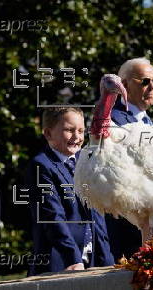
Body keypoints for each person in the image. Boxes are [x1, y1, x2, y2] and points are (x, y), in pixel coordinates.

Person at [25, 107, 114, 275]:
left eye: (81, 131)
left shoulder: (87, 161)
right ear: (48, 134)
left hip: (93, 258)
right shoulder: (41, 166)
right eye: (69, 130)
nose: (77, 137)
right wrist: (72, 258)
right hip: (62, 262)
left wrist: (106, 259)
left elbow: (97, 215)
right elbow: (51, 217)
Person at [106, 57, 153, 261]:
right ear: (124, 84)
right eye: (145, 81)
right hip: (126, 222)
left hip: (150, 217)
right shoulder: (112, 119)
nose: (152, 87)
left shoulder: (148, 121)